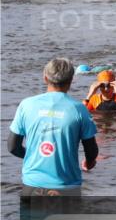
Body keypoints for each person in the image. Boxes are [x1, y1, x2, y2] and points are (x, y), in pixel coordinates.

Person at [8, 58, 98, 196]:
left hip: (32, 184)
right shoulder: (79, 109)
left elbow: (13, 147)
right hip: (67, 186)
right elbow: (91, 150)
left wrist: (34, 155)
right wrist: (90, 161)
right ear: (71, 80)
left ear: (45, 78)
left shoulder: (26, 105)